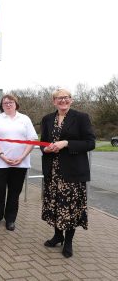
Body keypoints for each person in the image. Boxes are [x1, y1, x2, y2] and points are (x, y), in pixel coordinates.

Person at [40, 88, 95, 258]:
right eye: (59, 98)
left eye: (66, 98)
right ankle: (58, 236)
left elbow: (90, 143)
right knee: (55, 205)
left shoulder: (81, 117)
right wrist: (46, 149)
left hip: (72, 173)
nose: (62, 101)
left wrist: (66, 143)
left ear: (71, 100)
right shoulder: (47, 119)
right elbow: (43, 142)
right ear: (54, 101)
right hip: (53, 171)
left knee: (69, 208)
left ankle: (69, 242)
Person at [0, 94, 38, 231]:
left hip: (19, 163)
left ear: (16, 104)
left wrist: (22, 157)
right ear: (2, 105)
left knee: (14, 192)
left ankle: (10, 219)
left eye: (11, 102)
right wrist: (1, 155)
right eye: (5, 103)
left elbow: (32, 139)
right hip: (1, 163)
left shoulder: (25, 119)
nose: (8, 104)